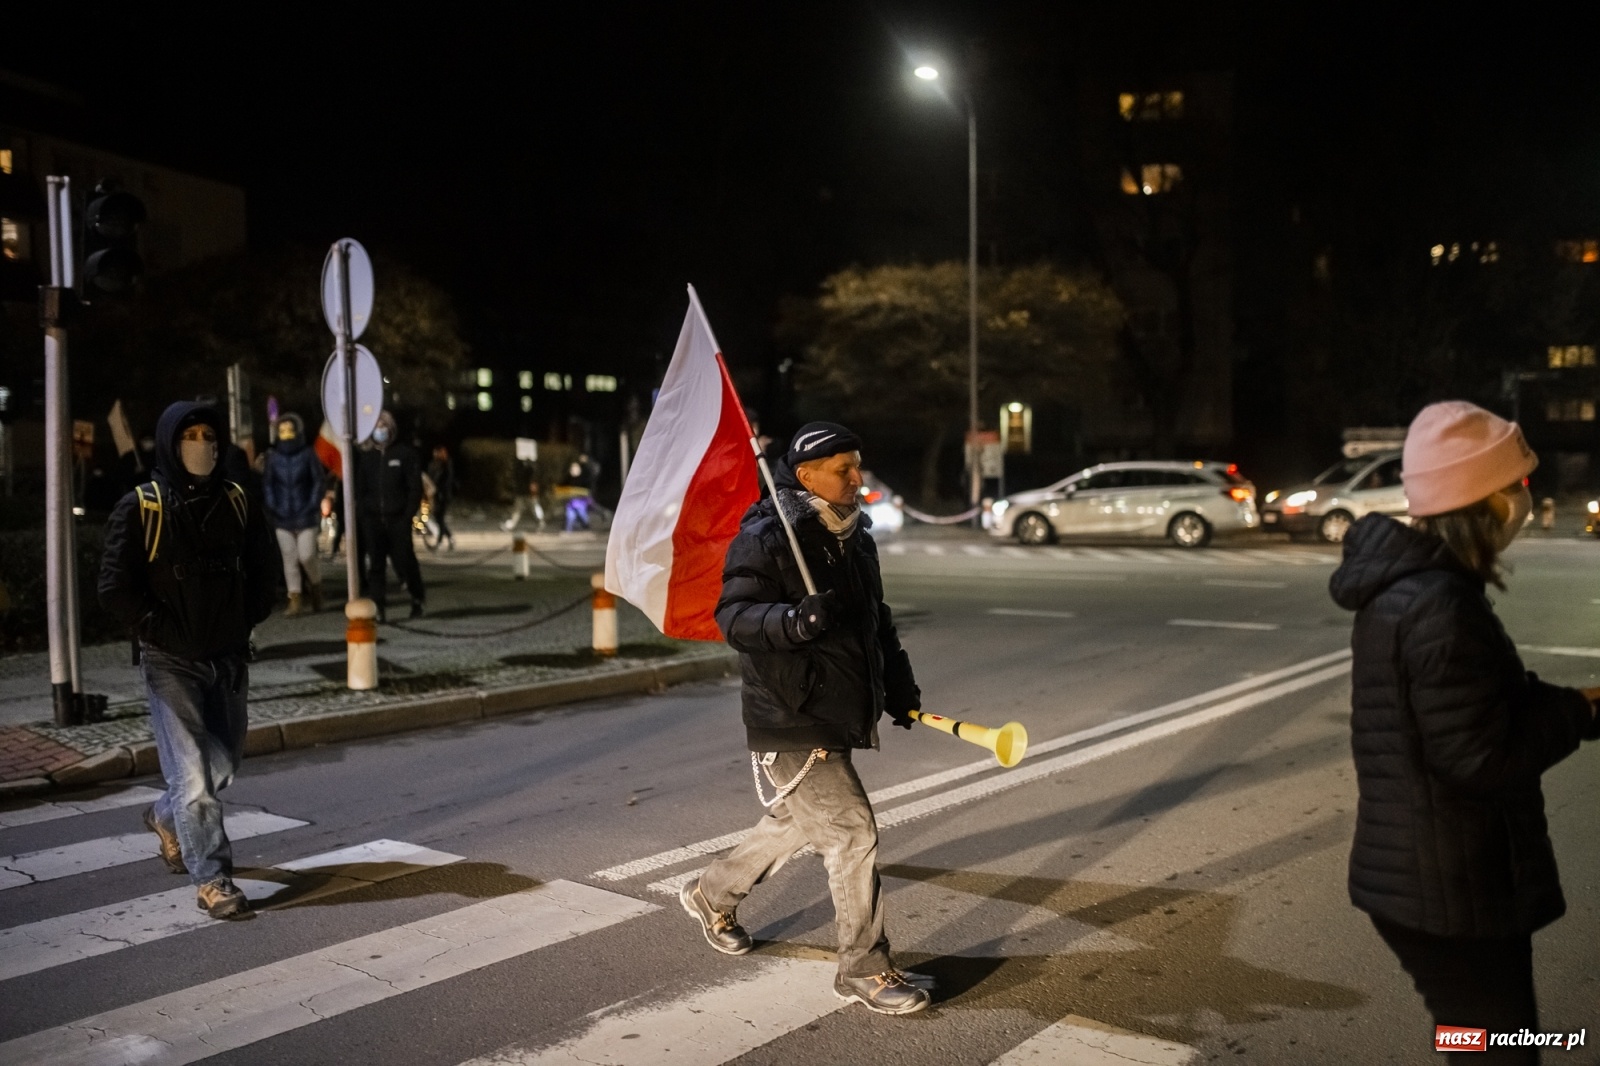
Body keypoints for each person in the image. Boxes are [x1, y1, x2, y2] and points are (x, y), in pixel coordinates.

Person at [1329, 401, 1600, 1063]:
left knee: (1473, 1036)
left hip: (1426, 877)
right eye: (1518, 486)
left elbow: (1474, 705)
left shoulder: (1414, 590)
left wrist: (1576, 702)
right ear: (1484, 502)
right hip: (1449, 886)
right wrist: (1576, 715)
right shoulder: (1437, 604)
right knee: (1501, 1045)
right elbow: (1478, 755)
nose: (1527, 501)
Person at [680, 421, 930, 1016]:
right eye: (843, 469)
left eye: (857, 464)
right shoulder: (769, 535)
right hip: (790, 710)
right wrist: (794, 622)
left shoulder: (856, 537)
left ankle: (709, 894)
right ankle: (864, 970)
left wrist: (897, 687)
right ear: (805, 474)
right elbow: (735, 616)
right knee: (850, 832)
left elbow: (877, 623)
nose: (856, 477)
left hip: (837, 707)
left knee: (794, 825)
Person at [98, 401, 277, 921]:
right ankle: (213, 878)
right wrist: (161, 630)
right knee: (194, 778)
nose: (202, 443)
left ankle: (163, 817)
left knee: (224, 763)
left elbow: (263, 566)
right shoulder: (142, 506)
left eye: (208, 434)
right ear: (172, 443)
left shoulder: (237, 501)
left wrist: (248, 615)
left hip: (227, 657)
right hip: (170, 662)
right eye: (191, 435)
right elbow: (114, 588)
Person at [356, 410, 424, 622]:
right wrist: (365, 516)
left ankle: (417, 597)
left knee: (405, 561)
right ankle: (379, 608)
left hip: (398, 520)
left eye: (384, 426)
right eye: (377, 426)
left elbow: (414, 488)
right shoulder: (367, 458)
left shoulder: (404, 454)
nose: (380, 430)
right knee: (376, 565)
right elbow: (360, 490)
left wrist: (406, 517)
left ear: (391, 429)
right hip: (374, 521)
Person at [262, 413, 326, 615]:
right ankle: (295, 599)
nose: (286, 433)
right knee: (289, 558)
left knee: (307, 556)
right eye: (282, 430)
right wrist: (273, 505)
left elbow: (318, 481)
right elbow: (268, 484)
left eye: (290, 429)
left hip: (306, 516)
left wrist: (312, 504)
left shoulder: (308, 454)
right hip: (282, 517)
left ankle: (316, 588)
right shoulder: (273, 457)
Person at [426, 444, 458, 550]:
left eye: (437, 451)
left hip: (443, 496)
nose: (435, 454)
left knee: (440, 518)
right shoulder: (435, 464)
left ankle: (440, 541)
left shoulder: (446, 464)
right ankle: (449, 538)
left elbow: (447, 481)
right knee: (438, 518)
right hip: (436, 495)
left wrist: (441, 493)